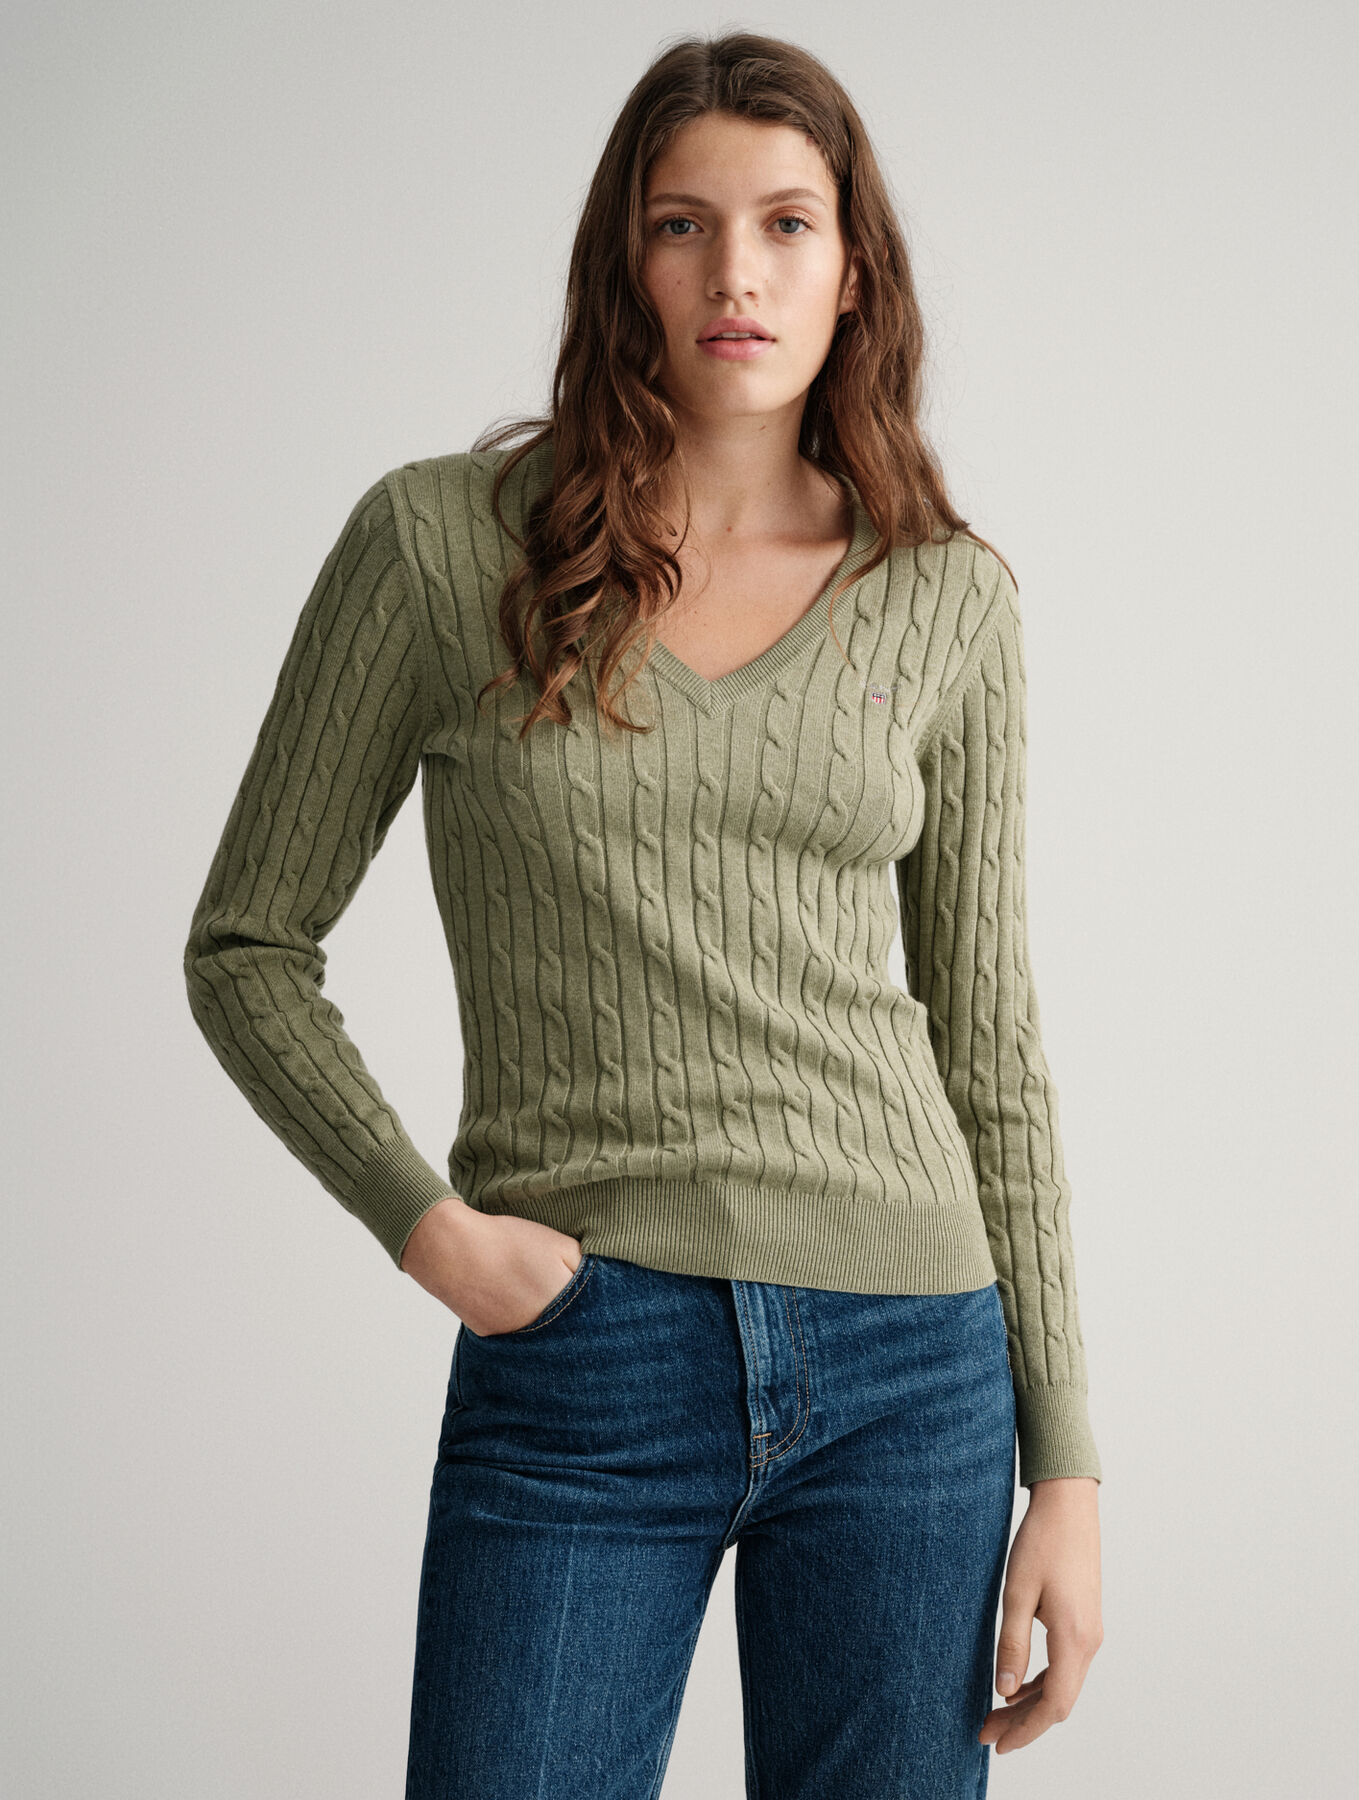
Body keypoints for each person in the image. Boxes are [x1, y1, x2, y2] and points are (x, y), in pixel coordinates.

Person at [183, 29, 1103, 1799]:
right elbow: (246, 948)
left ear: (855, 271)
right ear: (628, 259)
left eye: (786, 224)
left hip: (914, 1360)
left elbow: (990, 1045)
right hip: (583, 1355)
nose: (735, 273)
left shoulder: (948, 600)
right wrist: (433, 1232)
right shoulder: (445, 548)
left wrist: (1064, 1466)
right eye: (685, 225)